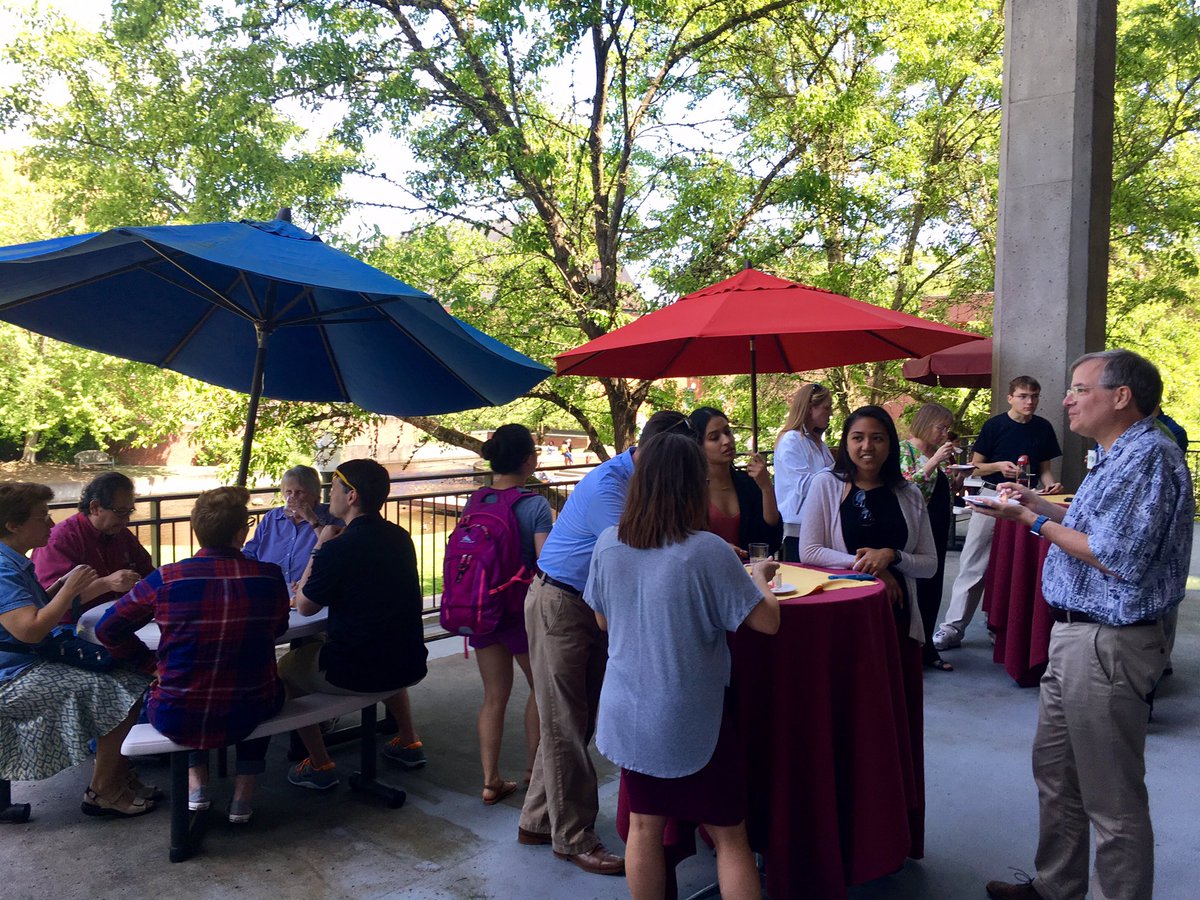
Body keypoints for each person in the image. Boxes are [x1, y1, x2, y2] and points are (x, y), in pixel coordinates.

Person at [978, 350, 1192, 900]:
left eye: (1079, 389)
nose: (1066, 399)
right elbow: (1091, 526)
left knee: (1112, 799)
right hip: (1079, 637)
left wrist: (1029, 520)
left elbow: (1115, 555)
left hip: (1109, 643)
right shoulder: (1118, 454)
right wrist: (1036, 502)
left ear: (1121, 396)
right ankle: (1057, 887)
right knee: (1058, 774)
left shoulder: (1148, 456)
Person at [585, 432, 781, 900]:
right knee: (730, 835)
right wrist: (758, 576)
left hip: (629, 713)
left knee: (643, 826)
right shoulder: (707, 551)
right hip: (691, 718)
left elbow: (602, 619)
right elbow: (767, 621)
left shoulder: (610, 543)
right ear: (694, 485)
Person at [518, 409, 692, 877]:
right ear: (650, 450)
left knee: (574, 721)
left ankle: (536, 821)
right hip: (561, 603)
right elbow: (637, 551)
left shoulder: (643, 480)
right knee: (566, 724)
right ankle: (573, 838)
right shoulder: (609, 487)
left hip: (589, 604)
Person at [95, 486, 290, 824]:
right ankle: (243, 795)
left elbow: (107, 629)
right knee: (264, 684)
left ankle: (197, 784)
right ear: (241, 533)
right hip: (250, 708)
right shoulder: (269, 576)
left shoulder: (166, 578)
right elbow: (278, 628)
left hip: (177, 713)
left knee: (193, 685)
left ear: (197, 529)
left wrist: (149, 665)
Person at [0, 483, 154, 818]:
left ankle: (116, 776)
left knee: (130, 676)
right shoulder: (3, 568)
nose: (51, 523)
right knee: (123, 690)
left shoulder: (12, 561)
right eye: (42, 517)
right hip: (12, 675)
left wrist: (61, 587)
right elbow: (29, 629)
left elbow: (30, 611)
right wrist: (69, 589)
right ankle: (102, 791)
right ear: (13, 525)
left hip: (29, 661)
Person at [278, 458, 429, 789]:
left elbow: (304, 606)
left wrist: (320, 544)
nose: (329, 494)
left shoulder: (338, 548)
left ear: (351, 496)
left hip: (357, 670)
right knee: (380, 645)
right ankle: (409, 741)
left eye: (333, 488)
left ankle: (319, 763)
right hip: (408, 661)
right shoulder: (399, 536)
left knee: (284, 668)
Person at [933, 376, 1063, 651]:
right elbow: (975, 467)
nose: (1030, 401)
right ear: (1010, 398)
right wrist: (999, 466)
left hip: (1028, 498)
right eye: (1023, 396)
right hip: (992, 496)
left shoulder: (1043, 427)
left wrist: (1051, 485)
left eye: (1034, 396)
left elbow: (1045, 469)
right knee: (974, 563)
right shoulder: (995, 426)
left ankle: (1002, 626)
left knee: (1016, 566)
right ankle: (952, 627)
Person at [797, 406, 937, 649]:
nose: (867, 446)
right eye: (858, 438)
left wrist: (891, 556)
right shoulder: (826, 484)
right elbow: (809, 551)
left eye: (877, 438)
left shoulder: (909, 494)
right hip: (843, 611)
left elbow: (930, 565)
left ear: (891, 444)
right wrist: (872, 568)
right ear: (846, 443)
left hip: (896, 614)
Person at [469, 425, 553, 805]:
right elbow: (545, 561)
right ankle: (534, 773)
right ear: (527, 461)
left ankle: (490, 781)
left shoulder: (476, 500)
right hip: (520, 610)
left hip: (483, 607)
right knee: (540, 688)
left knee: (494, 696)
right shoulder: (534, 505)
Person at [32, 471, 153, 623]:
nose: (126, 520)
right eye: (120, 512)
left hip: (118, 619)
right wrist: (106, 584)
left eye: (130, 512)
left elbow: (148, 573)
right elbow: (48, 602)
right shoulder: (60, 540)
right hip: (72, 626)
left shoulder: (121, 533)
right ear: (95, 507)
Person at [900, 403, 958, 672]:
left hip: (938, 525)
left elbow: (943, 487)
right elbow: (907, 485)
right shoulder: (905, 450)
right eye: (940, 428)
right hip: (915, 527)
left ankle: (927, 649)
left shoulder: (938, 454)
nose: (944, 434)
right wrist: (934, 461)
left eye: (947, 429)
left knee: (934, 586)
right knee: (916, 587)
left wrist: (957, 477)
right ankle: (910, 649)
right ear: (925, 424)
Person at [688, 406, 782, 557]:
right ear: (698, 445)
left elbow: (771, 540)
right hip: (706, 569)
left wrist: (766, 488)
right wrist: (719, 548)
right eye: (714, 437)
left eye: (727, 432)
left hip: (747, 569)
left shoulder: (747, 483)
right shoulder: (689, 490)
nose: (726, 441)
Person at [242, 465, 338, 593]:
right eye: (289, 492)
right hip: (269, 589)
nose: (293, 497)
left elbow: (335, 553)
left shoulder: (331, 517)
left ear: (315, 494)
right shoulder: (272, 517)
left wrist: (312, 519)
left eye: (300, 492)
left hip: (309, 593)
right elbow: (250, 553)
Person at [773, 382, 835, 561]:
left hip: (819, 522)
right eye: (826, 408)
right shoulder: (791, 440)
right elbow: (805, 486)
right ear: (809, 408)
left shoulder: (817, 442)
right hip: (797, 526)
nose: (830, 413)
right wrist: (837, 468)